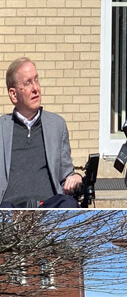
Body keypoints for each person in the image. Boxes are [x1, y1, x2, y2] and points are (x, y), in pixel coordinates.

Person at [0, 57, 82, 207]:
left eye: (36, 80)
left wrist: (76, 177)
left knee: (68, 203)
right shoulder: (2, 128)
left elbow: (66, 175)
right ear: (13, 94)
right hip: (9, 207)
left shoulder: (57, 125)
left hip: (48, 205)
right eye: (28, 83)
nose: (35, 88)